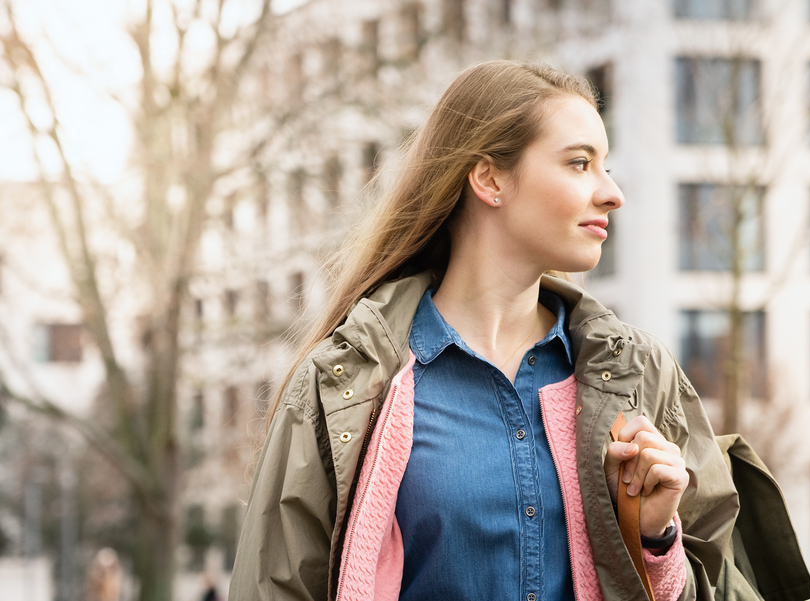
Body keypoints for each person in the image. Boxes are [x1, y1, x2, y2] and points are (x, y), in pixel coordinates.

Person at [230, 60, 739, 600]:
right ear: (490, 178)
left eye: (603, 165)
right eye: (579, 163)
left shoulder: (643, 377)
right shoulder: (342, 386)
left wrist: (655, 541)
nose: (611, 192)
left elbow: (721, 585)